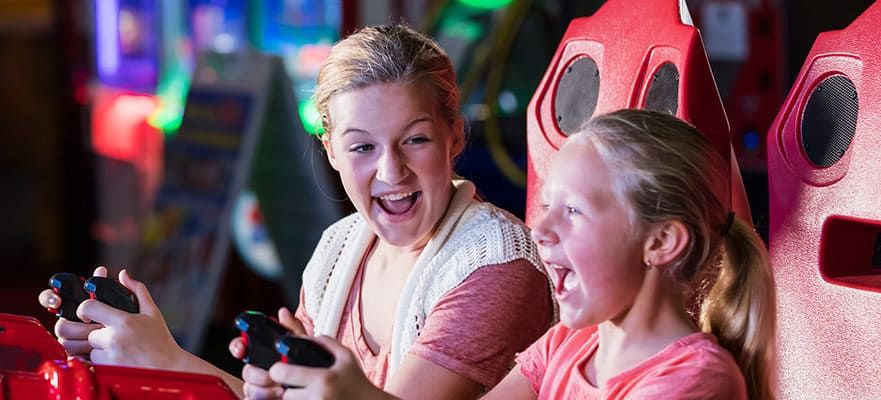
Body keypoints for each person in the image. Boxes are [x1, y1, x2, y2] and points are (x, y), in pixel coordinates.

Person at [38, 23, 554, 400]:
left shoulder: (495, 268)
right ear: (329, 150)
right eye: (361, 148)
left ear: (455, 136)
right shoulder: (339, 249)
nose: (391, 171)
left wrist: (169, 360)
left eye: (415, 140)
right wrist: (140, 353)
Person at [482, 109, 776, 400]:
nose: (540, 230)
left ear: (661, 242)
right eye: (547, 207)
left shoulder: (695, 378)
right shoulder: (565, 343)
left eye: (573, 210)